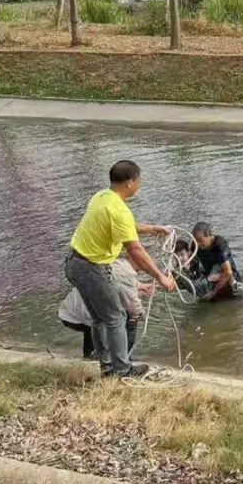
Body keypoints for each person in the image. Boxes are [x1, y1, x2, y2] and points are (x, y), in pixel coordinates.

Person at [64, 160, 176, 378]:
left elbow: (125, 227)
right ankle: (123, 370)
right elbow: (135, 250)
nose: (140, 185)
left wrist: (152, 229)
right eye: (139, 180)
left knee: (100, 318)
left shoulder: (102, 197)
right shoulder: (120, 210)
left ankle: (107, 367)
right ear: (130, 182)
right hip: (92, 269)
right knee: (116, 317)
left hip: (74, 263)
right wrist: (162, 278)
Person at [58, 256, 155, 359]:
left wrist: (140, 287)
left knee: (94, 320)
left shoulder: (113, 263)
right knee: (131, 319)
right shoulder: (127, 275)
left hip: (67, 312)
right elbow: (134, 308)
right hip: (81, 316)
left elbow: (119, 281)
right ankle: (123, 359)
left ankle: (89, 355)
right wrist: (141, 316)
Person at [191, 222, 243, 302]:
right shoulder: (195, 246)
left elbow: (228, 272)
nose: (198, 244)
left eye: (200, 241)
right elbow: (191, 262)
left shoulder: (219, 245)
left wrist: (214, 291)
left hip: (226, 274)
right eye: (195, 241)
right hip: (210, 273)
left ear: (209, 235)